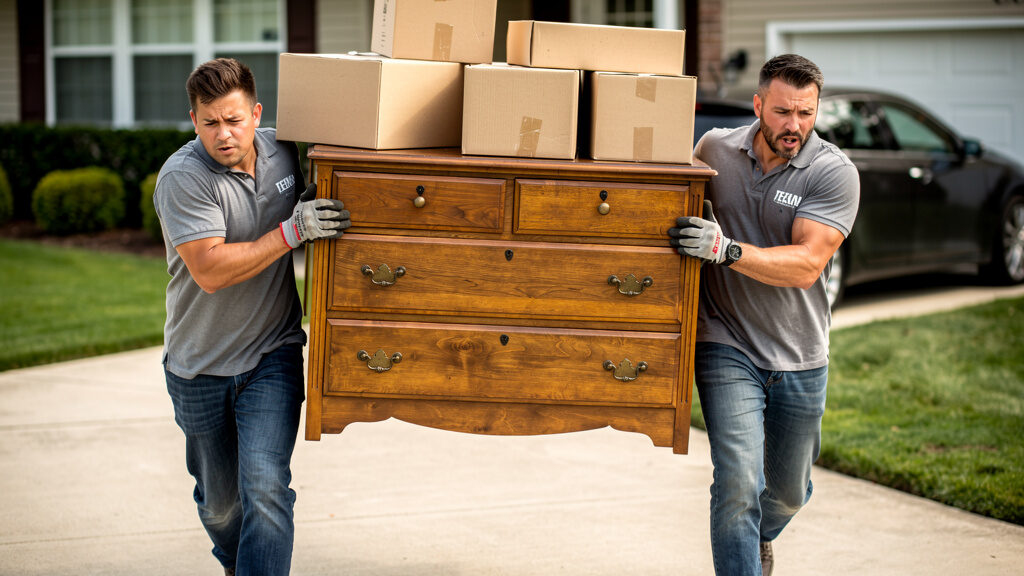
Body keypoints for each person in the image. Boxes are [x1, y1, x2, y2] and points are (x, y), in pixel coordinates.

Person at [154, 57, 350, 576]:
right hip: (200, 365)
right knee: (222, 507)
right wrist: (293, 231)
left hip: (272, 352)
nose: (224, 134)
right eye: (210, 122)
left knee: (265, 486)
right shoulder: (184, 178)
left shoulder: (284, 150)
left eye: (234, 120)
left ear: (256, 113)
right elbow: (211, 270)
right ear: (194, 120)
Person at [669, 54, 860, 576]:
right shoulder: (714, 150)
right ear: (758, 105)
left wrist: (726, 251)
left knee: (788, 492)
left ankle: (756, 536)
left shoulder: (833, 172)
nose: (794, 125)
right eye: (782, 112)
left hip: (800, 354)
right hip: (725, 342)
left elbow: (806, 265)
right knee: (737, 482)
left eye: (805, 113)